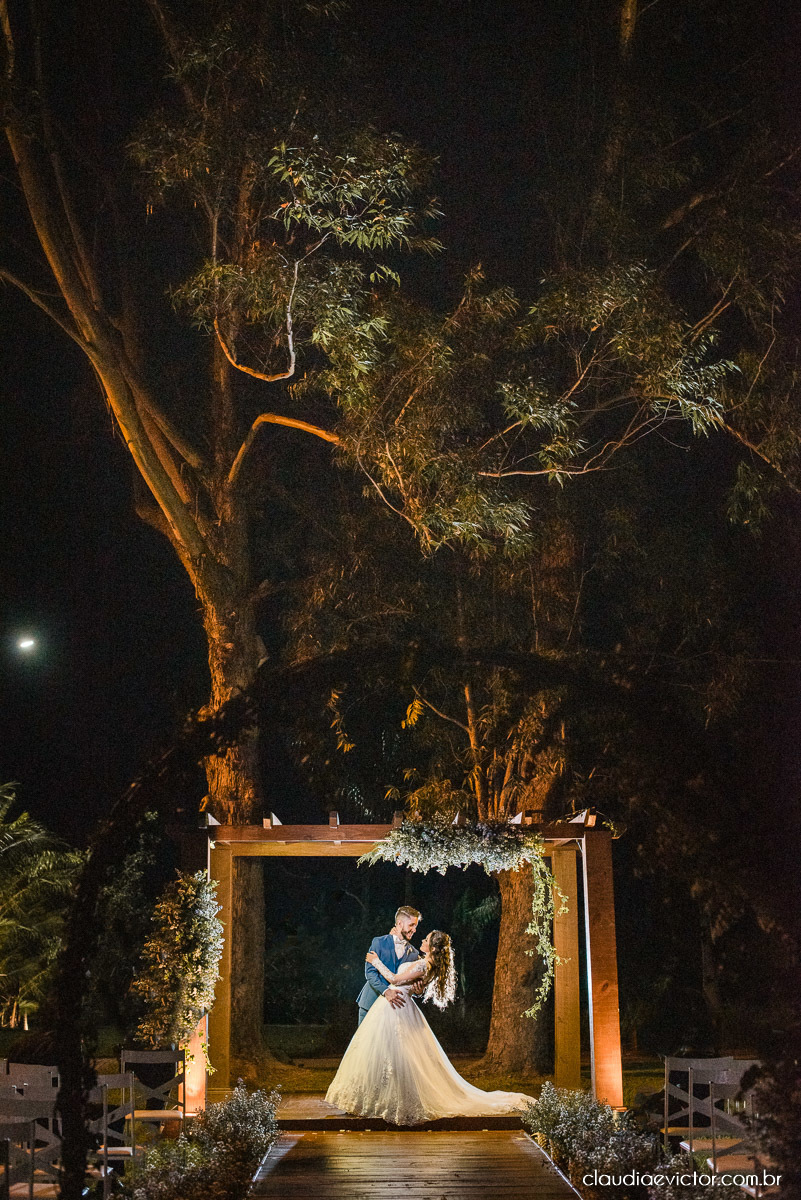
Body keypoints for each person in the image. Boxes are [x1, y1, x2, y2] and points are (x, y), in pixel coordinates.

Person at [325, 928, 534, 1125]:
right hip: (396, 1005)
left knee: (395, 1055)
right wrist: (416, 987)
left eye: (426, 939)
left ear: (433, 948)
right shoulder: (426, 963)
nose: (422, 940)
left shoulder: (424, 965)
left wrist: (376, 961)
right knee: (388, 1054)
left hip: (396, 1006)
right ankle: (378, 1098)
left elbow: (395, 979)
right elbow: (412, 984)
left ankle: (390, 1101)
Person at [356, 905, 422, 1025]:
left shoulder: (414, 954)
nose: (414, 930)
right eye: (411, 925)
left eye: (415, 926)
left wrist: (418, 991)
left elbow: (410, 983)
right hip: (370, 1003)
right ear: (399, 923)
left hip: (395, 1010)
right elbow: (370, 973)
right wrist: (386, 991)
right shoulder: (379, 942)